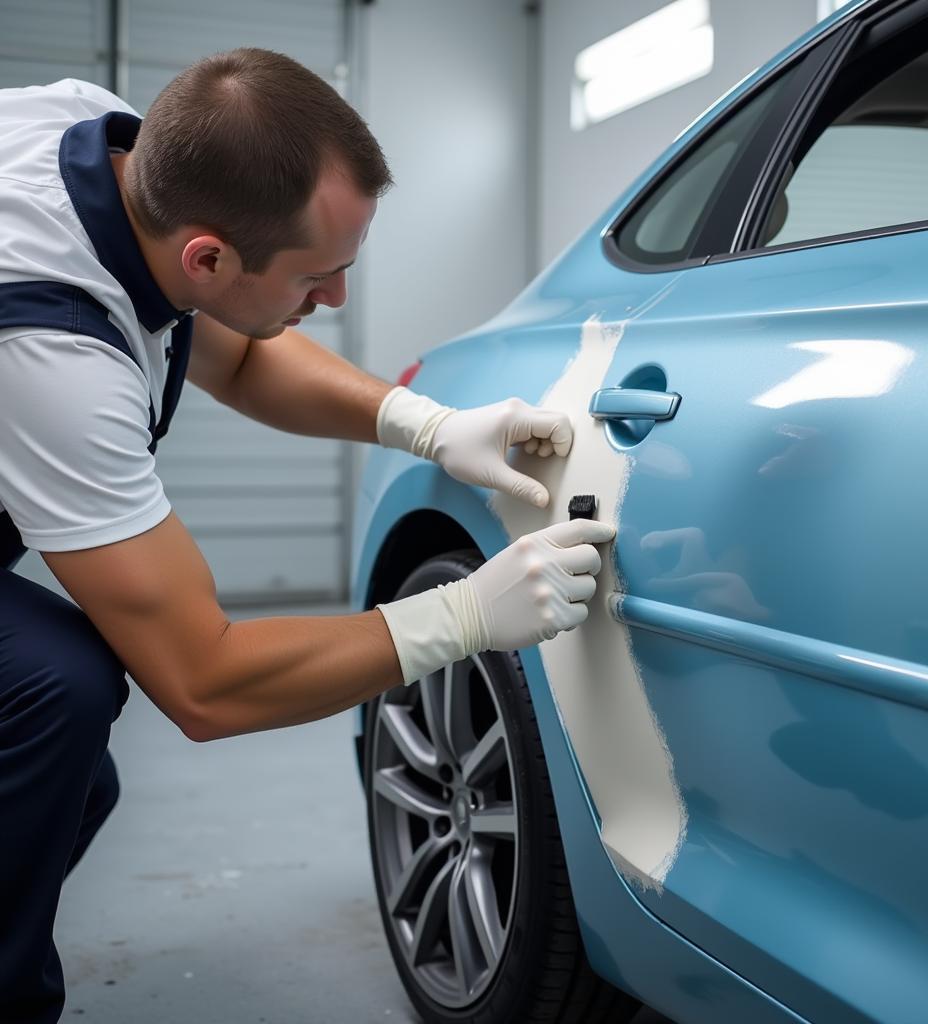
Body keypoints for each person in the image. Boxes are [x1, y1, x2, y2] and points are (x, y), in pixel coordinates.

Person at [0, 49, 613, 1023]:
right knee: (52, 693)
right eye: (318, 279)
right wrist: (458, 615)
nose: (331, 303)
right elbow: (204, 680)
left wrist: (432, 425)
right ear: (207, 255)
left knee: (68, 773)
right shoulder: (51, 354)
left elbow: (238, 356)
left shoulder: (116, 143)